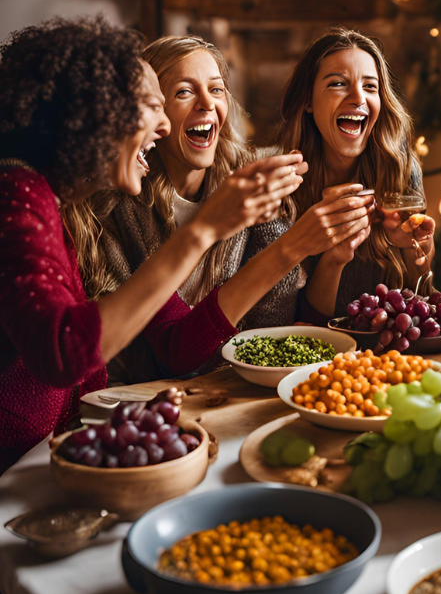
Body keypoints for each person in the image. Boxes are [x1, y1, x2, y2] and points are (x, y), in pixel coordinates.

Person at [0, 17, 300, 469]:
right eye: (151, 104)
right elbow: (60, 352)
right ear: (93, 109)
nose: (162, 126)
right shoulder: (16, 193)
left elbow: (163, 324)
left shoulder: (50, 199)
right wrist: (204, 231)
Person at [72, 35, 368, 380]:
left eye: (216, 89)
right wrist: (293, 246)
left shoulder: (256, 182)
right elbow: (177, 354)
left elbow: (273, 334)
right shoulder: (118, 210)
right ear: (151, 111)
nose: (206, 104)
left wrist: (329, 256)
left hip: (242, 397)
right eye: (184, 92)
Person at [277, 27, 435, 320]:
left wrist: (418, 250)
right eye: (338, 84)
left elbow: (421, 301)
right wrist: (334, 258)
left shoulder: (402, 168)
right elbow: (296, 325)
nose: (357, 97)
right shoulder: (283, 186)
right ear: (308, 101)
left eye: (370, 86)